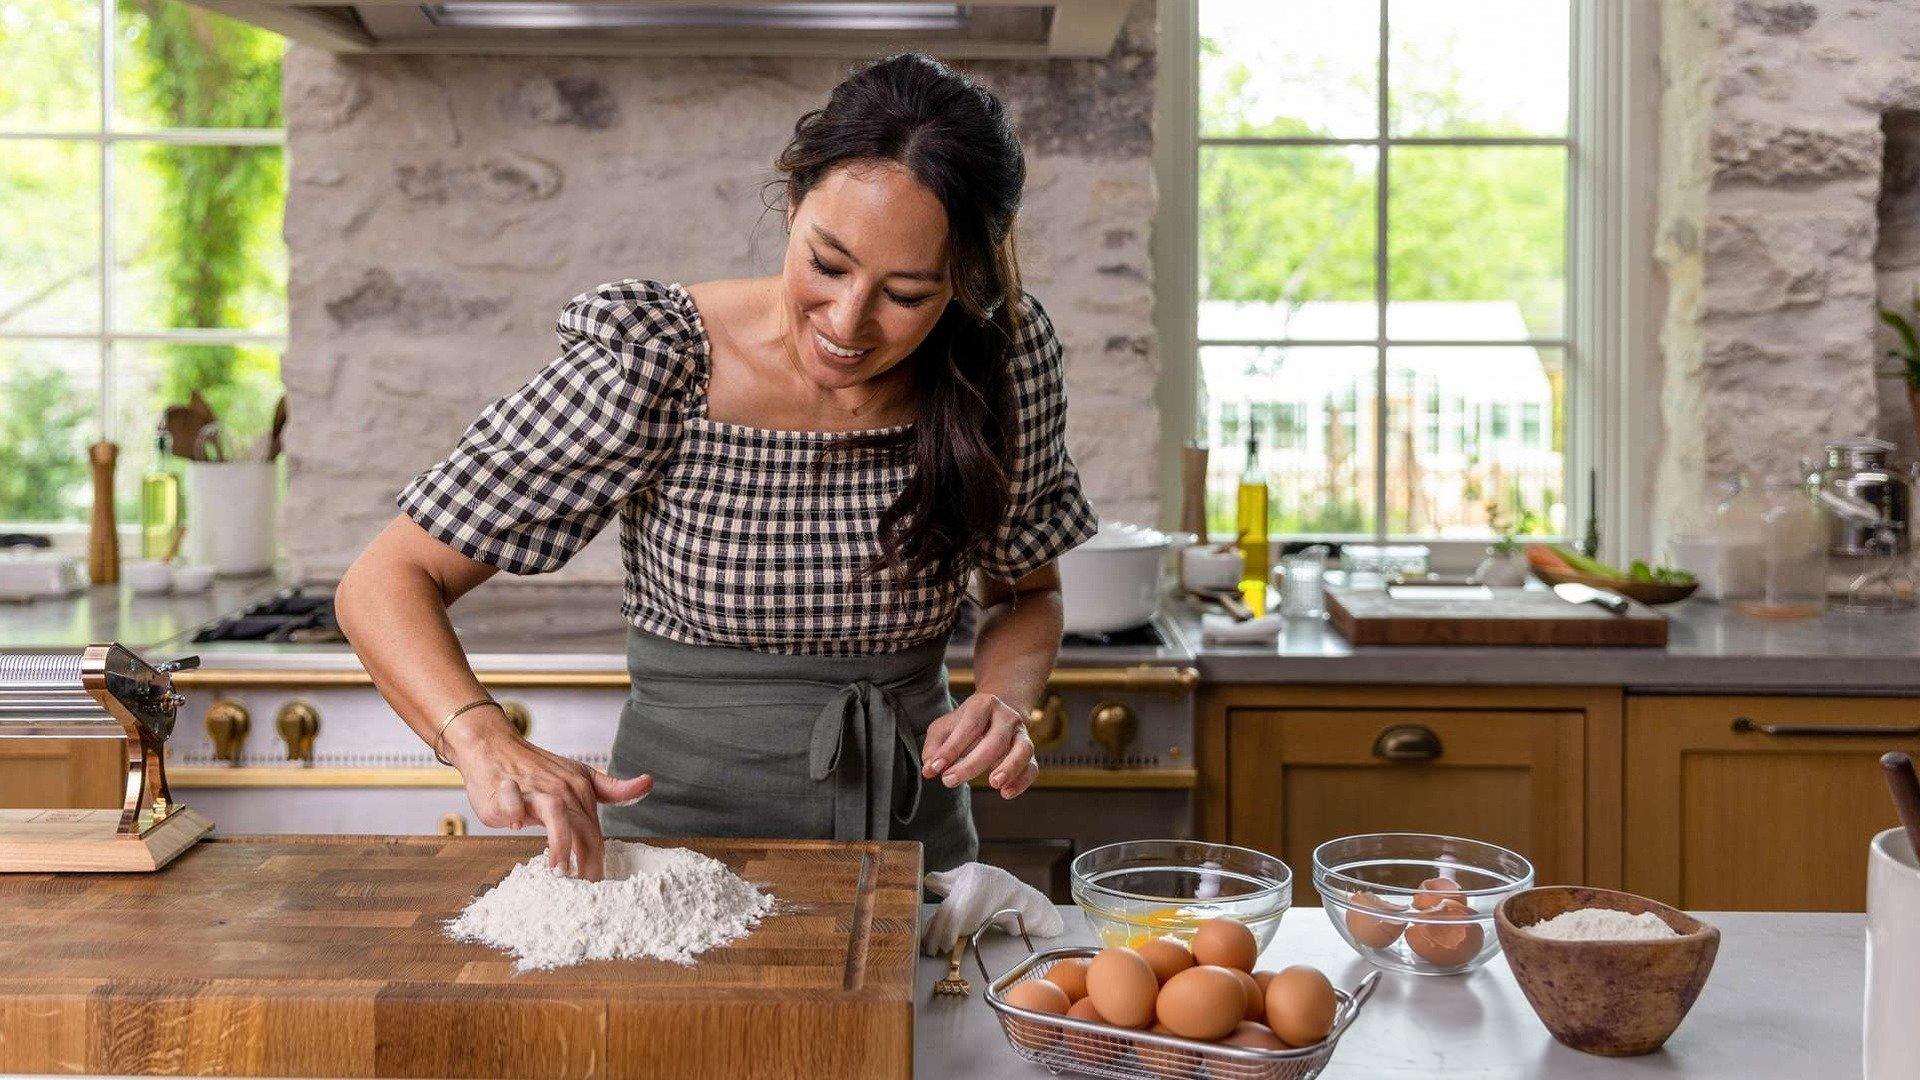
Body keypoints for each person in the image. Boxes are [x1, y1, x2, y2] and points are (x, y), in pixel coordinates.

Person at [335, 53, 1097, 882]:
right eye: (828, 264)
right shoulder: (658, 363)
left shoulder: (1001, 365)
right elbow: (386, 579)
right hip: (682, 868)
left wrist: (1005, 700)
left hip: (914, 857)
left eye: (906, 294)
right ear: (793, 199)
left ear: (963, 282)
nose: (849, 321)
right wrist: (478, 735)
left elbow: (1029, 592)